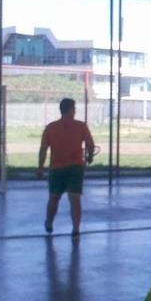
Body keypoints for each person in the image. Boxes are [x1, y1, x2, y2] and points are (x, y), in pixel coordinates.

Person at [38, 98, 95, 237]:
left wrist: (40, 167)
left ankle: (50, 223)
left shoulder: (51, 127)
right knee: (74, 199)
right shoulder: (81, 126)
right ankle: (75, 229)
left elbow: (43, 149)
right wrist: (90, 156)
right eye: (74, 108)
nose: (75, 111)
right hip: (75, 168)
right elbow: (90, 145)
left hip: (57, 169)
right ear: (69, 110)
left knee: (54, 198)